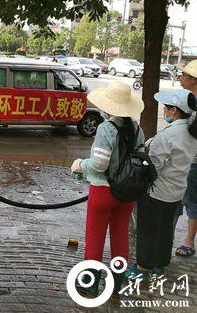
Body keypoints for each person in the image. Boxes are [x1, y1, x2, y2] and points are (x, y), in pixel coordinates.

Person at [70, 81, 145, 297]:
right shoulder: (137, 129)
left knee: (95, 237)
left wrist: (80, 165)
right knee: (120, 236)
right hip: (127, 192)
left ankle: (89, 284)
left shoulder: (105, 129)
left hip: (103, 191)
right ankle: (116, 283)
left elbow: (99, 164)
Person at [126, 89, 197, 278]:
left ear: (175, 110)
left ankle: (143, 268)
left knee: (148, 229)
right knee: (165, 228)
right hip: (177, 190)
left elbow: (154, 166)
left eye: (166, 107)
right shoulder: (192, 131)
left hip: (157, 191)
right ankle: (160, 264)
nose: (164, 110)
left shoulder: (169, 134)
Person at [174, 60, 197, 257]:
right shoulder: (189, 99)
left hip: (193, 162)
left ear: (194, 80)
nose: (180, 78)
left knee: (188, 201)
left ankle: (188, 241)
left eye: (184, 75)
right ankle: (168, 238)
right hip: (184, 158)